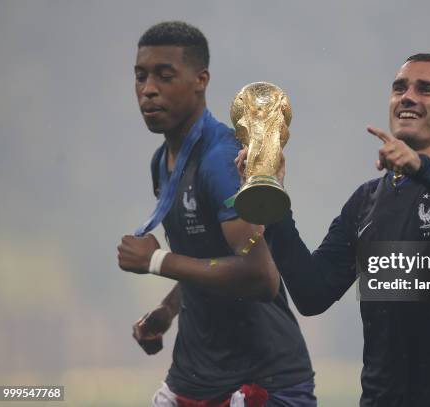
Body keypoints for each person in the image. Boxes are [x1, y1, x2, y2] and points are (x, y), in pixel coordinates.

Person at [237, 54, 430, 406]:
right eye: (400, 88)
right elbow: (312, 293)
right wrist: (272, 201)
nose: (408, 96)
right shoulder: (366, 200)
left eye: (426, 89)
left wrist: (422, 167)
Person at [117, 21, 315, 407]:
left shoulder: (221, 160)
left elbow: (260, 277)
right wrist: (169, 308)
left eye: (164, 75)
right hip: (195, 377)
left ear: (200, 80)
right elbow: (210, 255)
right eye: (141, 76)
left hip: (261, 382)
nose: (148, 89)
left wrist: (157, 260)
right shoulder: (164, 160)